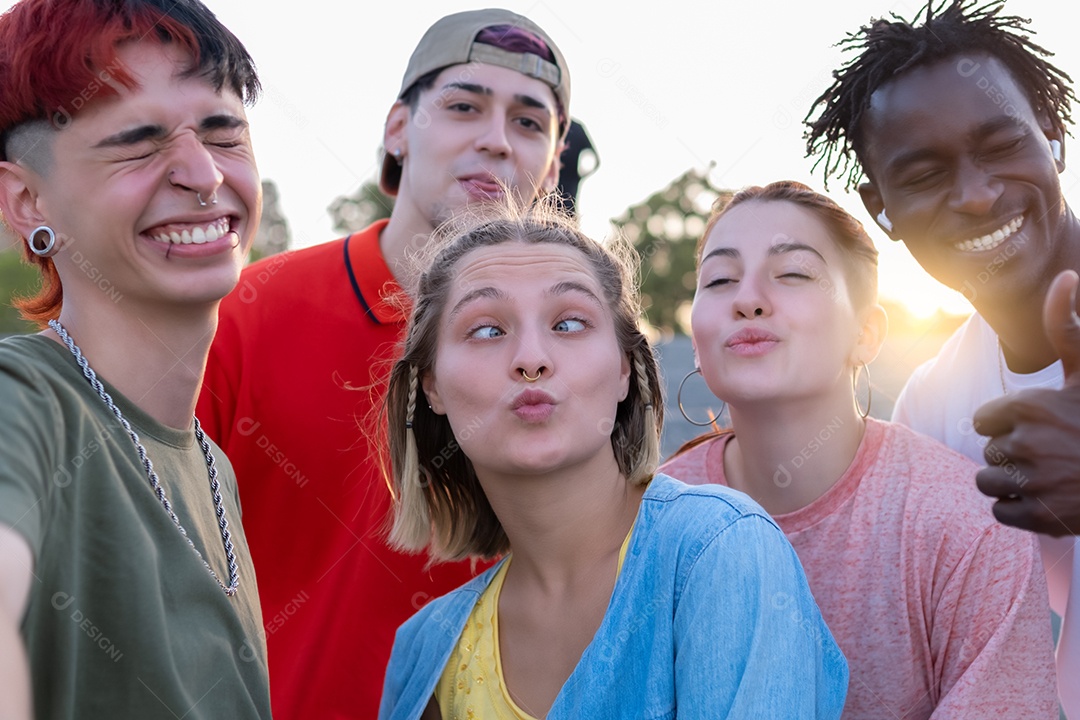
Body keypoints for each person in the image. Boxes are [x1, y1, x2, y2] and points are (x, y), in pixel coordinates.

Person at [195, 9, 572, 718]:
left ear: (551, 165)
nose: (495, 140)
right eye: (464, 107)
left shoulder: (579, 357)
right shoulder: (245, 312)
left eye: (528, 122)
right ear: (399, 128)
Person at [377, 201, 848, 720]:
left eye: (570, 323)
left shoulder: (719, 550)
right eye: (487, 330)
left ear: (626, 368)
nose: (532, 359)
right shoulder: (424, 652)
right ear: (433, 385)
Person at [660, 181, 1057, 718]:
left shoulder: (968, 527)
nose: (747, 299)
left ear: (866, 333)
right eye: (719, 279)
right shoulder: (649, 525)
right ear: (699, 342)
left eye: (794, 273)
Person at [803, 0, 1080, 713]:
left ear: (1052, 136)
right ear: (881, 208)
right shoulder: (933, 400)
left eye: (1001, 146)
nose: (979, 195)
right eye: (925, 174)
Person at [0, 0, 269, 718]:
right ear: (27, 201)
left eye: (224, 133)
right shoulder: (23, 401)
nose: (202, 175)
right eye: (139, 143)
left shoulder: (215, 470)